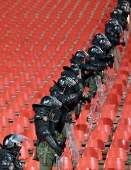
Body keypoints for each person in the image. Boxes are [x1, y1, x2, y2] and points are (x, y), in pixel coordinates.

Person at [32, 95, 69, 170]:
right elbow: (45, 132)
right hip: (46, 147)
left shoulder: (48, 115)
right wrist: (56, 146)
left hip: (50, 146)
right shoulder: (42, 114)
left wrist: (63, 113)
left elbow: (55, 127)